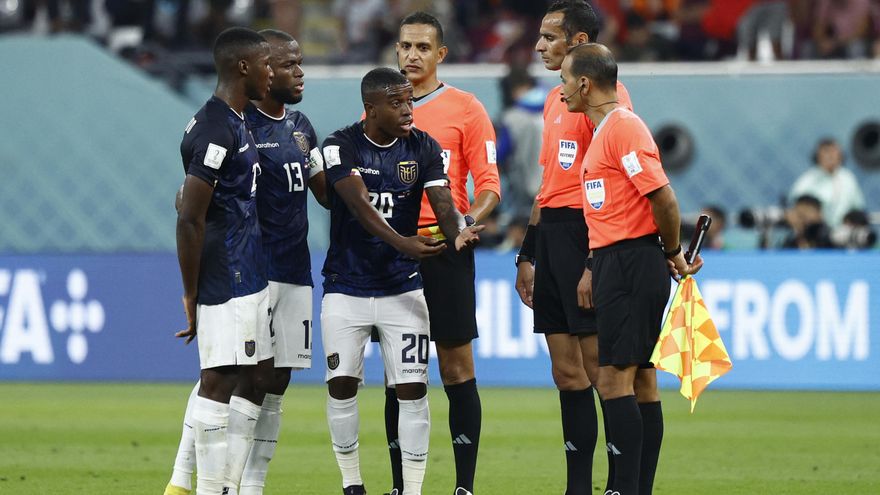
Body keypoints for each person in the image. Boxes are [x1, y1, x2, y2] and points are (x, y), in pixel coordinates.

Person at [163, 29, 328, 495]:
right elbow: (190, 202)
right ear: (256, 67)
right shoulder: (233, 123)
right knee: (226, 374)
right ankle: (187, 482)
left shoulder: (300, 127)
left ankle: (246, 486)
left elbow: (327, 193)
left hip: (290, 268)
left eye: (295, 63)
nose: (294, 72)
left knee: (271, 381)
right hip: (245, 268)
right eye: (283, 64)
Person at [320, 67, 482, 495]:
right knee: (342, 385)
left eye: (410, 101)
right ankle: (352, 483)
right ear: (370, 109)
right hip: (346, 286)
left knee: (412, 389)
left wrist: (457, 231)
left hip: (402, 288)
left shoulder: (424, 146)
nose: (409, 109)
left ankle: (411, 490)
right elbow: (359, 206)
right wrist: (403, 242)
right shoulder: (339, 146)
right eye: (397, 103)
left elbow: (443, 203)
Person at [561, 42, 703, 495]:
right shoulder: (607, 130)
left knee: (614, 378)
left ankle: (622, 488)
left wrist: (672, 250)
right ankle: (635, 488)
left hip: (628, 261)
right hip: (620, 259)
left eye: (565, 80)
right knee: (640, 379)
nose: (561, 90)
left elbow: (663, 197)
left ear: (585, 84)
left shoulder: (623, 127)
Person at [378, 11, 501, 495]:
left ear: (441, 54)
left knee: (456, 367)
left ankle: (463, 486)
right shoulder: (380, 109)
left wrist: (463, 224)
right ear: (396, 50)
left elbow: (489, 184)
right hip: (395, 252)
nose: (412, 55)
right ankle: (399, 485)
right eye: (406, 46)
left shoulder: (466, 109)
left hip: (445, 249)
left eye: (423, 47)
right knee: (399, 375)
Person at [514, 2, 632, 494]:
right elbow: (549, 185)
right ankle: (578, 488)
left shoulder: (606, 100)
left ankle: (620, 484)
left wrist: (592, 260)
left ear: (579, 42)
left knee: (602, 371)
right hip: (553, 235)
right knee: (566, 372)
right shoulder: (553, 98)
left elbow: (614, 186)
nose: (539, 46)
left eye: (549, 37)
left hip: (590, 233)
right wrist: (528, 252)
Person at [174, 27, 274, 495]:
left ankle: (217, 487)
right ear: (243, 67)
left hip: (247, 269)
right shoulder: (215, 127)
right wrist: (191, 292)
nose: (270, 72)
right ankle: (207, 489)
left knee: (250, 374)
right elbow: (189, 217)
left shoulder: (235, 119)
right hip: (226, 272)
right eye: (265, 64)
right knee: (218, 380)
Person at [789, 137, 866, 228]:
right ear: (818, 156)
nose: (830, 156)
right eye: (826, 152)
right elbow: (795, 208)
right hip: (816, 231)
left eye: (834, 152)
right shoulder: (808, 179)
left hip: (843, 231)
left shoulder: (848, 178)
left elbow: (858, 206)